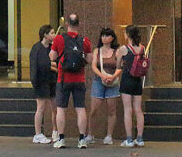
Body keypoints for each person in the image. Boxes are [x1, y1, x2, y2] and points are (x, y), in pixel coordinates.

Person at [49, 13, 92, 149]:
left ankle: (61, 139)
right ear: (78, 24)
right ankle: (82, 139)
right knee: (81, 109)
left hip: (63, 79)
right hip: (79, 79)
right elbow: (90, 60)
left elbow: (52, 56)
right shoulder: (85, 40)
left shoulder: (59, 39)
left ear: (67, 24)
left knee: (61, 109)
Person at [87, 27, 121, 146]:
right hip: (98, 81)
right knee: (93, 110)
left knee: (111, 110)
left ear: (112, 38)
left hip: (113, 82)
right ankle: (90, 134)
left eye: (107, 35)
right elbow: (93, 66)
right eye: (102, 36)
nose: (104, 38)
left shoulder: (117, 51)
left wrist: (113, 76)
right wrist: (102, 75)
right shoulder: (97, 51)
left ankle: (109, 135)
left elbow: (119, 67)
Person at [117, 25, 146, 148]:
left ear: (128, 35)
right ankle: (139, 138)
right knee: (138, 109)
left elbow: (118, 64)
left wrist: (122, 63)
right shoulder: (142, 48)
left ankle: (129, 139)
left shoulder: (124, 49)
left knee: (127, 109)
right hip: (138, 80)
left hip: (127, 79)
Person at [29, 24, 58, 144]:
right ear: (45, 35)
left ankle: (55, 131)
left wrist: (52, 66)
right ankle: (38, 134)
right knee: (41, 108)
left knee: (55, 108)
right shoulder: (37, 48)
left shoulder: (53, 48)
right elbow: (37, 66)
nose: (53, 35)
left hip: (53, 81)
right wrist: (50, 66)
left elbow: (57, 63)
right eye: (51, 33)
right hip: (41, 81)